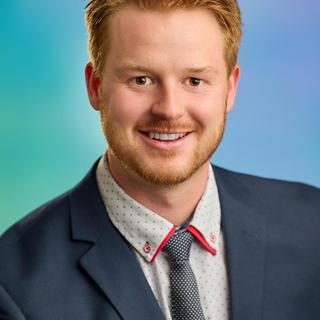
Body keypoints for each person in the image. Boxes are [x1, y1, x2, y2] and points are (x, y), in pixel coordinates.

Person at [0, 0, 319, 319]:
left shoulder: (311, 227)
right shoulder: (12, 282)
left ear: (230, 88)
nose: (169, 109)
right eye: (141, 79)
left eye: (194, 81)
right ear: (95, 86)